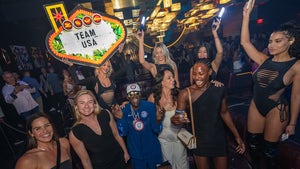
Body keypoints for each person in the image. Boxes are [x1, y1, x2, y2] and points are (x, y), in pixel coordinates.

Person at [240, 0, 300, 168]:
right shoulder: (264, 59)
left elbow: (296, 95)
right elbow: (245, 43)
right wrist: (246, 16)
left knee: (269, 152)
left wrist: (292, 123)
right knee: (253, 148)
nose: (271, 45)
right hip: (256, 105)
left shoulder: (296, 65)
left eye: (277, 41)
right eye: (270, 41)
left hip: (276, 109)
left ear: (291, 41)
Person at [172, 59, 245, 169]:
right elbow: (177, 118)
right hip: (200, 142)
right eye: (194, 74)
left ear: (210, 72)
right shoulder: (185, 94)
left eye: (201, 74)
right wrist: (176, 120)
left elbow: (224, 113)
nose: (197, 77)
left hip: (219, 140)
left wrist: (237, 137)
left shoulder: (219, 89)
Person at [69, 90, 130, 169]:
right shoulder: (75, 132)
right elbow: (85, 160)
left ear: (94, 104)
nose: (86, 106)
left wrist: (125, 152)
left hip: (119, 160)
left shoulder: (106, 114)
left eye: (90, 102)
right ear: (76, 106)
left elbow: (117, 134)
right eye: (82, 103)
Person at [148, 68, 189, 169]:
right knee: (168, 166)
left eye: (173, 77)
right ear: (162, 82)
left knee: (182, 164)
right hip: (163, 139)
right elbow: (148, 120)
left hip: (179, 137)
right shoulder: (153, 98)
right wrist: (126, 103)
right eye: (169, 78)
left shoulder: (179, 94)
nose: (173, 79)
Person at [116, 83, 164, 169]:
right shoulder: (124, 110)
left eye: (137, 93)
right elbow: (123, 133)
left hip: (153, 152)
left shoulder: (149, 106)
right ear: (127, 97)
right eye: (131, 94)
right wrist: (120, 119)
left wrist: (158, 120)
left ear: (140, 94)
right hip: (136, 155)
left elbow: (157, 130)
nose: (134, 96)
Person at [190, 19, 223, 84]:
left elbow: (220, 52)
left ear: (209, 53)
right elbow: (192, 86)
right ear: (197, 54)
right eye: (200, 52)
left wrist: (214, 33)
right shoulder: (193, 68)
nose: (202, 54)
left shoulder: (213, 65)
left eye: (205, 52)